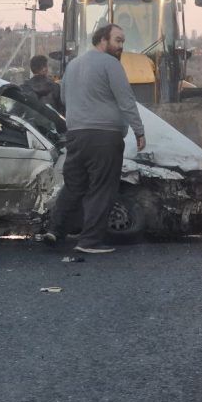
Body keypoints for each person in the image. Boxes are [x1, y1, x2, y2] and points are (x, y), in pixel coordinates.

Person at [45, 24, 146, 254]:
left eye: (122, 41)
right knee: (101, 189)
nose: (121, 46)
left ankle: (55, 230)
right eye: (118, 40)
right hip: (104, 137)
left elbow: (63, 97)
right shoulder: (111, 64)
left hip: (76, 136)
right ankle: (89, 242)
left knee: (74, 186)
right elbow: (126, 100)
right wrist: (139, 131)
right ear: (102, 39)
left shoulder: (72, 66)